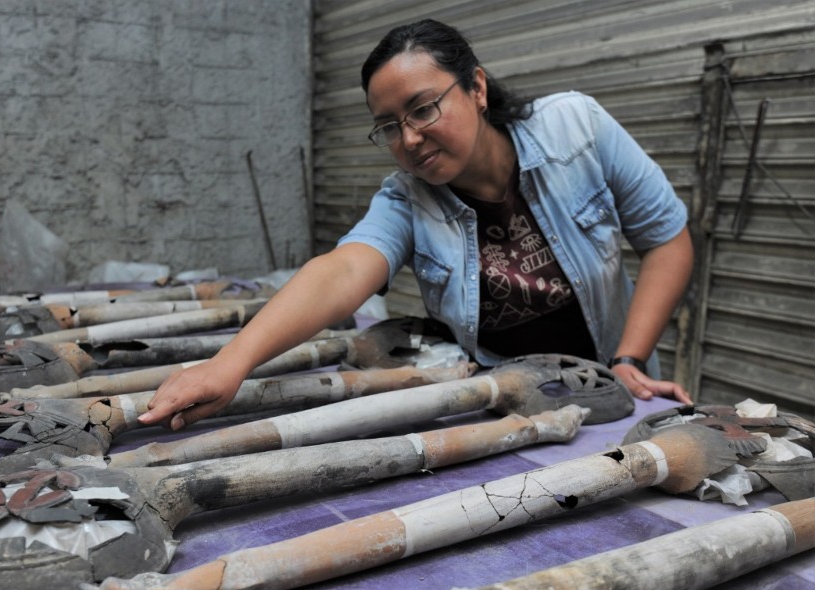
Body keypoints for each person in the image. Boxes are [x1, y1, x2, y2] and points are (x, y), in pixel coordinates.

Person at [140, 18, 693, 431]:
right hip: (509, 402)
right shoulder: (407, 199)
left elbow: (666, 239)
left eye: (423, 108)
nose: (408, 139)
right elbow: (342, 271)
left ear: (476, 88)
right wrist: (229, 364)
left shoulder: (576, 129)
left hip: (616, 384)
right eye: (388, 126)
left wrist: (628, 359)